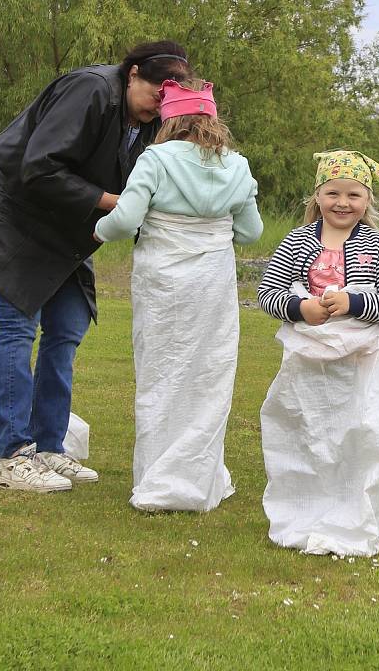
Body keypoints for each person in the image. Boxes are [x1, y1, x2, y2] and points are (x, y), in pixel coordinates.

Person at [0, 41, 192, 492]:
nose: (161, 105)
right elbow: (38, 168)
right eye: (157, 92)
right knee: (17, 327)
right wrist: (114, 203)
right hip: (13, 219)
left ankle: (48, 447)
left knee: (67, 328)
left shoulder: (147, 118)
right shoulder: (92, 90)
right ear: (134, 72)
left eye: (169, 98)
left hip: (63, 230)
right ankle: (13, 457)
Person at [93, 79, 263, 511]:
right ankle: (198, 472)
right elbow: (251, 232)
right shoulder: (238, 166)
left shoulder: (156, 159)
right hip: (212, 283)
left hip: (164, 282)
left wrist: (98, 229)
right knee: (208, 370)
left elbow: (126, 217)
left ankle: (160, 474)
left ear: (170, 120)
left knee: (162, 368)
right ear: (212, 119)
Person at [257, 150, 379, 556]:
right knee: (309, 432)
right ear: (318, 195)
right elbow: (268, 293)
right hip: (309, 361)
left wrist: (354, 304)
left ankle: (352, 506)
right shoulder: (298, 241)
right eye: (333, 193)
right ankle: (305, 506)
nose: (343, 203)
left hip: (361, 364)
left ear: (367, 200)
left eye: (354, 195)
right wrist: (301, 308)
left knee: (358, 434)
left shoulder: (377, 246)